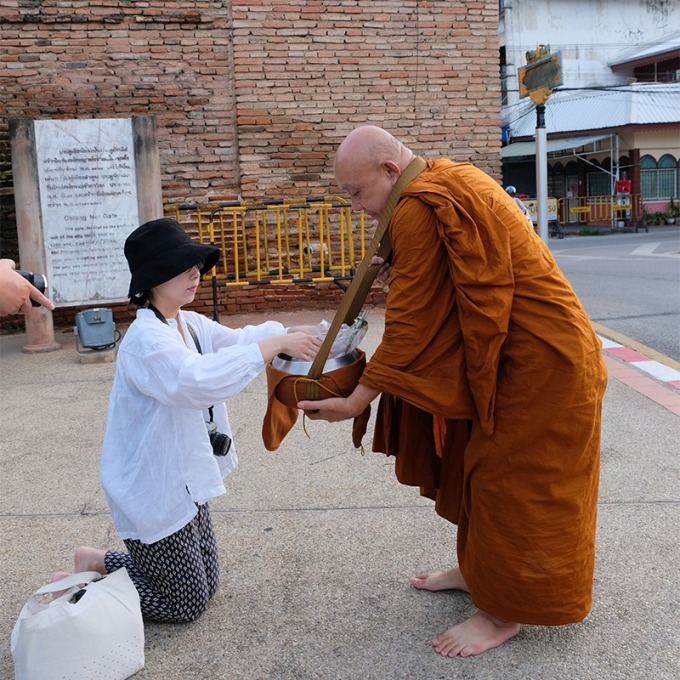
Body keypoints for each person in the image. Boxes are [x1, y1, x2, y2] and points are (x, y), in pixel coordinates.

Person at [299, 126, 607, 658]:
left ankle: (502, 612)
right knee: (476, 466)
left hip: (542, 364)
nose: (355, 206)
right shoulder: (445, 176)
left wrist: (355, 400)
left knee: (515, 482)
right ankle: (477, 571)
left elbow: (412, 324)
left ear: (390, 172)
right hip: (517, 354)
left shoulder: (420, 204)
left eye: (355, 193)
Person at [61, 218, 322, 623]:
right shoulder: (146, 340)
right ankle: (85, 586)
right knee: (183, 604)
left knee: (207, 583)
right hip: (151, 484)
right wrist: (273, 345)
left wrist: (284, 332)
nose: (195, 274)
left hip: (182, 475)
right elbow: (196, 381)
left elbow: (235, 341)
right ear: (153, 279)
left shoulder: (186, 321)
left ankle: (98, 559)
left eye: (196, 265)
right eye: (183, 267)